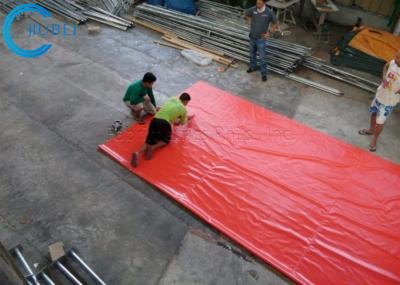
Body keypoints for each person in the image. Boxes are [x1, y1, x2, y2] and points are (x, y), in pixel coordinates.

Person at [131, 93, 193, 167]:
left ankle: (138, 152)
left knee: (149, 140)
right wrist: (185, 117)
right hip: (164, 123)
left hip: (154, 120)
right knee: (165, 141)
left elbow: (165, 110)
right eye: (187, 102)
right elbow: (182, 123)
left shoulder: (172, 99)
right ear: (186, 101)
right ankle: (153, 147)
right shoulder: (183, 109)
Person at [359, 50, 400, 152]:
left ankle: (374, 140)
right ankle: (371, 130)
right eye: (397, 56)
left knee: (380, 121)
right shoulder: (393, 63)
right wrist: (384, 77)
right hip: (380, 94)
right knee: (373, 113)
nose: (396, 59)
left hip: (389, 102)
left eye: (399, 58)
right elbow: (386, 66)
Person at [245, 0, 278, 82]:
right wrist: (249, 21)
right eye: (256, 3)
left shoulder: (269, 12)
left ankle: (263, 74)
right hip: (252, 37)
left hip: (261, 39)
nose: (257, 5)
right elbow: (246, 14)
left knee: (262, 58)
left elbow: (275, 23)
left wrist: (269, 32)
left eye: (259, 3)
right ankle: (253, 67)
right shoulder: (253, 9)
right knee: (252, 54)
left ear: (264, 3)